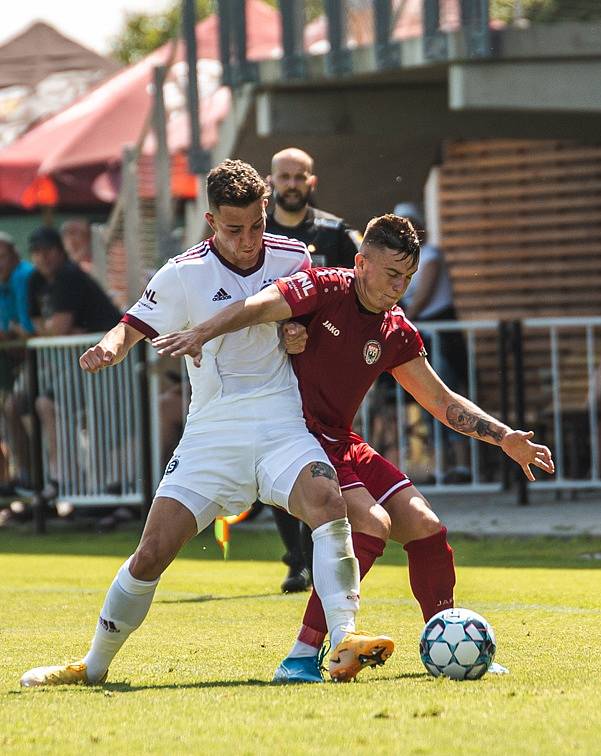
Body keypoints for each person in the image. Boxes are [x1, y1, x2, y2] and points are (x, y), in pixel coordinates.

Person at [19, 160, 393, 689]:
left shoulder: (294, 255)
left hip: (280, 420)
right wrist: (111, 344)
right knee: (151, 554)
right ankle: (92, 666)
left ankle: (345, 639)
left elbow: (306, 323)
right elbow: (134, 324)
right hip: (212, 433)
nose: (247, 241)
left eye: (257, 226)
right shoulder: (183, 272)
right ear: (212, 221)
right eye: (233, 229)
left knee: (328, 503)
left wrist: (297, 336)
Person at [153, 213, 555, 683]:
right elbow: (255, 306)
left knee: (427, 528)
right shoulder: (324, 287)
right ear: (361, 262)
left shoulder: (395, 329)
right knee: (372, 524)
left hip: (341, 440)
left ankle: (442, 642)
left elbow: (442, 402)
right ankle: (303, 655)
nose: (398, 287)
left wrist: (504, 437)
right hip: (293, 436)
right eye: (390, 274)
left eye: (407, 278)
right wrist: (203, 331)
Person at [265, 147, 361, 593]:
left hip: (326, 368)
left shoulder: (336, 234)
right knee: (275, 458)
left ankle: (322, 553)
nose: (290, 184)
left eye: (297, 177)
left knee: (324, 459)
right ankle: (296, 561)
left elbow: (363, 294)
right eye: (282, 177)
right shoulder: (255, 233)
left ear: (311, 182)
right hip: (270, 367)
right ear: (271, 182)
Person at [26, 226, 121, 494]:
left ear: (60, 252)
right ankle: (66, 480)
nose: (42, 258)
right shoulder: (36, 280)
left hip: (108, 362)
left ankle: (67, 481)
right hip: (78, 360)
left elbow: (54, 329)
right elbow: (46, 328)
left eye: (48, 251)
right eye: (36, 252)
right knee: (37, 404)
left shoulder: (70, 276)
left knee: (51, 404)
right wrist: (56, 330)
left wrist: (55, 330)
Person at [396, 202, 470, 482]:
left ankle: (462, 464)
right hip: (423, 335)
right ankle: (439, 467)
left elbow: (423, 296)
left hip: (442, 336)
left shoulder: (431, 255)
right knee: (427, 401)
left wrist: (399, 320)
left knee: (449, 395)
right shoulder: (404, 260)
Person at [0, 233, 35, 495]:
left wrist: (15, 333)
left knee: (16, 407)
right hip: (20, 362)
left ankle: (31, 478)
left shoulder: (23, 276)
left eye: (2, 257)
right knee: (12, 408)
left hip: (40, 360)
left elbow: (27, 331)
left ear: (14, 256)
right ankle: (24, 477)